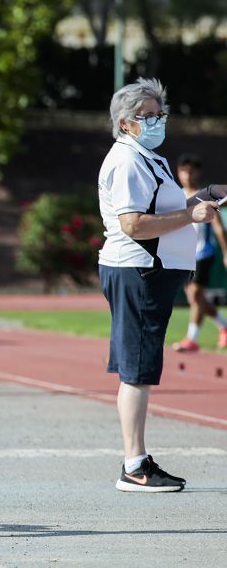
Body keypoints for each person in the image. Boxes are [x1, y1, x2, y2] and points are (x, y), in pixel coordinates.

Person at [97, 78, 223, 492]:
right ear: (124, 122)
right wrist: (193, 216)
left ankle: (137, 460)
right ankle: (134, 466)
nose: (155, 121)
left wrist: (202, 197)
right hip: (138, 270)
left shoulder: (149, 158)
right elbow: (133, 224)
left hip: (148, 272)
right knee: (136, 369)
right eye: (146, 116)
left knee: (140, 367)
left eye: (159, 114)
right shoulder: (128, 161)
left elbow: (164, 210)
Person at [172, 153, 227, 352]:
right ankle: (224, 326)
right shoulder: (175, 195)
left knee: (195, 295)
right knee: (196, 299)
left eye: (190, 171)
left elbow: (219, 227)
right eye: (183, 171)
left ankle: (192, 339)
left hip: (203, 253)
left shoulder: (205, 196)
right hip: (182, 254)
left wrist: (226, 251)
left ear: (198, 173)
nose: (187, 175)